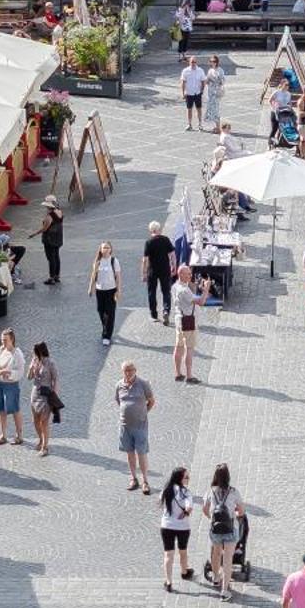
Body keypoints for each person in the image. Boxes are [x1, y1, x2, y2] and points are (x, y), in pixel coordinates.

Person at [204, 462, 246, 599]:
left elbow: (205, 510)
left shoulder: (211, 491)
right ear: (228, 476)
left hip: (215, 529)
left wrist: (212, 518)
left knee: (216, 554)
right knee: (228, 559)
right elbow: (241, 511)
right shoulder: (233, 492)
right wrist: (233, 514)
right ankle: (225, 590)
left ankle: (216, 577)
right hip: (230, 529)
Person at [114, 359, 155, 493]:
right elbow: (118, 401)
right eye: (126, 370)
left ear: (135, 371)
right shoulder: (119, 385)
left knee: (141, 453)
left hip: (140, 426)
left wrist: (143, 413)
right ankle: (133, 478)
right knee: (130, 453)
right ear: (122, 372)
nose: (128, 372)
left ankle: (145, 481)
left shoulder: (143, 384)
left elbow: (151, 401)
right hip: (125, 426)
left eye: (131, 369)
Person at [159, 466, 197, 590]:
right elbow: (189, 507)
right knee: (183, 551)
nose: (188, 479)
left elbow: (160, 502)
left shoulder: (166, 489)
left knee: (168, 554)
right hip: (182, 527)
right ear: (180, 478)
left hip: (167, 526)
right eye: (186, 477)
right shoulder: (185, 492)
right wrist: (185, 513)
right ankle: (184, 571)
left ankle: (168, 582)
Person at [170, 262, 207, 382]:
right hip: (188, 321)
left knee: (179, 346)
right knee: (189, 348)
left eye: (190, 274)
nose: (190, 276)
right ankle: (189, 375)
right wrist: (206, 290)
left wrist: (197, 287)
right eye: (187, 274)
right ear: (180, 274)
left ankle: (178, 373)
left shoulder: (175, 286)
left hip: (179, 319)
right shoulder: (184, 290)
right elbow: (201, 302)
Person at [0, 327, 26, 445]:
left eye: (5, 340)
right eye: (2, 340)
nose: (3, 342)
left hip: (11, 385)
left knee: (14, 409)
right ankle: (3, 435)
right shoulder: (1, 350)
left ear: (12, 340)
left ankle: (19, 435)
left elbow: (20, 372)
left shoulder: (17, 353)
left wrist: (8, 373)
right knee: (1, 409)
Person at [28, 340, 60, 457]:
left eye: (35, 351)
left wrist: (55, 395)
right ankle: (40, 439)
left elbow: (55, 379)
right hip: (35, 393)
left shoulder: (50, 363)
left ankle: (45, 446)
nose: (33, 353)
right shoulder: (34, 361)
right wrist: (31, 368)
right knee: (35, 420)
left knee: (44, 422)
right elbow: (29, 377)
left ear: (40, 351)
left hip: (46, 395)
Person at [88, 240, 122, 344]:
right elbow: (93, 276)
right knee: (100, 311)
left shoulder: (114, 261)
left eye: (107, 247)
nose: (105, 249)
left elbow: (118, 277)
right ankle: (105, 327)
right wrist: (90, 288)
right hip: (100, 290)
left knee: (110, 313)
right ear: (101, 250)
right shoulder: (97, 261)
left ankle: (106, 335)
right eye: (104, 248)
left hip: (111, 290)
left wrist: (118, 290)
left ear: (111, 249)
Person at [142, 220, 175, 323]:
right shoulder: (165, 240)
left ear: (151, 230)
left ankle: (154, 315)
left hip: (152, 270)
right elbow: (172, 254)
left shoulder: (149, 242)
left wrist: (143, 273)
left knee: (152, 292)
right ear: (159, 229)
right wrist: (174, 265)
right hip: (165, 269)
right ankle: (166, 310)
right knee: (166, 291)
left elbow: (145, 259)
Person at [35, 199, 64, 286]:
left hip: (49, 239)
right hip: (58, 237)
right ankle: (57, 276)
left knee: (51, 258)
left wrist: (34, 234)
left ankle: (51, 278)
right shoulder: (59, 212)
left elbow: (44, 229)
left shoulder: (49, 217)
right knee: (56, 256)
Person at [180, 52, 206, 129]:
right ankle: (189, 124)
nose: (193, 63)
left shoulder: (200, 70)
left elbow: (203, 81)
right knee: (189, 109)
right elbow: (183, 82)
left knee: (199, 109)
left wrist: (202, 90)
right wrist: (183, 92)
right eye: (192, 62)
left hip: (197, 93)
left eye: (194, 62)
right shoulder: (185, 71)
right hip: (189, 93)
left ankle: (200, 124)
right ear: (189, 62)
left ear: (196, 62)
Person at [202, 54, 226, 131]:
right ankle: (217, 126)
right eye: (211, 61)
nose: (213, 63)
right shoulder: (210, 70)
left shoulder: (220, 70)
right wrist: (202, 86)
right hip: (210, 93)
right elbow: (207, 80)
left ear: (217, 62)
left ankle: (218, 128)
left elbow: (222, 81)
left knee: (216, 109)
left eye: (214, 61)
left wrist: (215, 80)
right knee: (211, 108)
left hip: (216, 92)